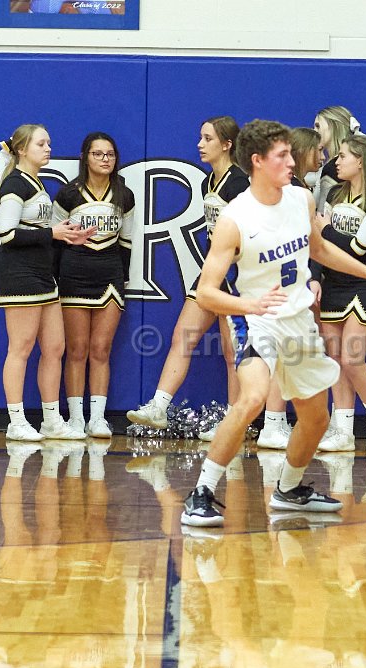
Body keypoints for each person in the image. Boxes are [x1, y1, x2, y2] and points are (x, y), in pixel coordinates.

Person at [179, 119, 366, 527]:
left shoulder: (301, 200)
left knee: (316, 418)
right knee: (252, 398)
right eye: (282, 155)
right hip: (257, 321)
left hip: (298, 321)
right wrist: (250, 305)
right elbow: (206, 292)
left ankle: (288, 489)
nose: (293, 161)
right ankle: (201, 492)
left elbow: (318, 249)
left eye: (290, 153)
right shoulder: (235, 218)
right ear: (257, 161)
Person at [127, 116, 249, 436]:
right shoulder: (208, 182)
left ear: (227, 144)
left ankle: (234, 423)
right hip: (211, 272)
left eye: (208, 139)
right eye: (201, 137)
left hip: (237, 277)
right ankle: (159, 407)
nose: (200, 144)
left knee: (232, 352)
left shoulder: (240, 184)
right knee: (183, 335)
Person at [0, 124, 95, 441]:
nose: (48, 148)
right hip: (18, 274)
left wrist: (67, 237)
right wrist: (52, 233)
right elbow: (7, 234)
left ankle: (51, 420)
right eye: (41, 144)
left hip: (42, 274)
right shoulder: (14, 184)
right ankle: (16, 421)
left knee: (54, 347)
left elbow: (38, 232)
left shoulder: (36, 182)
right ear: (22, 149)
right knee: (21, 348)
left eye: (49, 143)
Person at [315, 133, 366, 453]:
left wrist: (326, 229)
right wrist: (316, 277)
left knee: (352, 359)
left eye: (343, 156)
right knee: (335, 362)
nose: (336, 161)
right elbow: (318, 246)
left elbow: (359, 247)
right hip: (333, 284)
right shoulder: (336, 193)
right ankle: (343, 431)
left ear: (360, 161)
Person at [54, 132, 136, 438]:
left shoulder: (124, 195)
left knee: (101, 349)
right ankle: (76, 418)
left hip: (110, 276)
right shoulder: (68, 194)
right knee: (76, 350)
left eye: (110, 154)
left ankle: (98, 418)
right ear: (85, 158)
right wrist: (56, 278)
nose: (105, 159)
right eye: (98, 154)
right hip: (74, 274)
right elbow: (56, 240)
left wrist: (123, 278)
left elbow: (126, 241)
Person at [257, 126, 324, 450]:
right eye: (318, 150)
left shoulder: (298, 190)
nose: (322, 156)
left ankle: (276, 421)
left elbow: (310, 246)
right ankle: (272, 423)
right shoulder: (289, 193)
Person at [313, 106, 359, 208]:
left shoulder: (334, 167)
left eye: (318, 126)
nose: (314, 131)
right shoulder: (348, 163)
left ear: (334, 126)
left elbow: (322, 211)